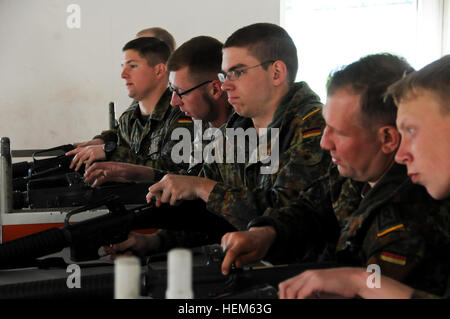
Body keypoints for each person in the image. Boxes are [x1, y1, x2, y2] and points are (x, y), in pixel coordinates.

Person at [221, 53, 450, 297]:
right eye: (326, 125)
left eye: (339, 132)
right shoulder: (356, 170)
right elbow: (313, 207)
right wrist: (267, 234)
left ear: (386, 139)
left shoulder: (411, 214)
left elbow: (376, 285)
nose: (324, 142)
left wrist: (359, 281)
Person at [105, 23, 334, 258]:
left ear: (276, 73)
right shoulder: (237, 129)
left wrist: (201, 187)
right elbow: (216, 216)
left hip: (304, 280)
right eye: (225, 74)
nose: (225, 85)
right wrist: (155, 241)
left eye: (238, 72)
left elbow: (286, 216)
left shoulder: (313, 126)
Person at [83, 36, 233, 186]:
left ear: (214, 89)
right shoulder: (204, 125)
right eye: (172, 90)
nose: (174, 101)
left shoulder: (243, 132)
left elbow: (245, 203)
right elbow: (192, 177)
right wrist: (136, 173)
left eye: (180, 92)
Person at [66, 37, 194, 173]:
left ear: (159, 70)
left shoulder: (182, 113)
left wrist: (113, 154)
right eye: (123, 67)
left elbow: (177, 172)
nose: (123, 74)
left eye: (132, 66)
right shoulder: (128, 118)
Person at [72, 27, 177, 149]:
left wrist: (111, 154)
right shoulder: (142, 97)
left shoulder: (179, 102)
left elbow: (170, 165)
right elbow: (126, 131)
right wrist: (104, 140)